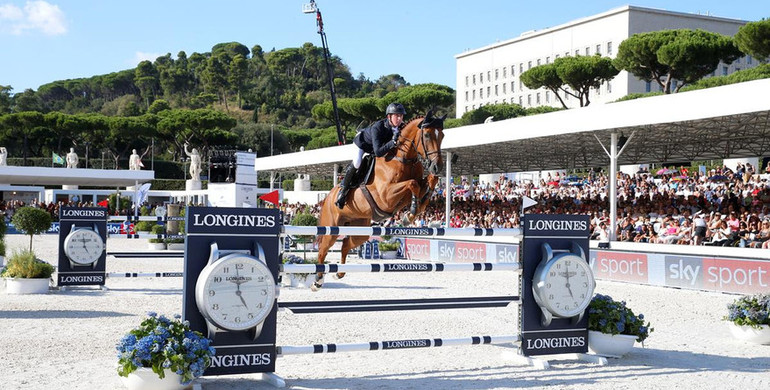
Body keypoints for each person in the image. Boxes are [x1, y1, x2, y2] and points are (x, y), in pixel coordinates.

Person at [335, 102, 406, 209]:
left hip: (377, 147)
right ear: (389, 117)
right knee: (358, 162)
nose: (399, 118)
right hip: (362, 144)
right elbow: (378, 152)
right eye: (397, 116)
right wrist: (392, 143)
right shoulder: (378, 127)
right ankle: (343, 190)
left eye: (401, 116)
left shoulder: (402, 126)